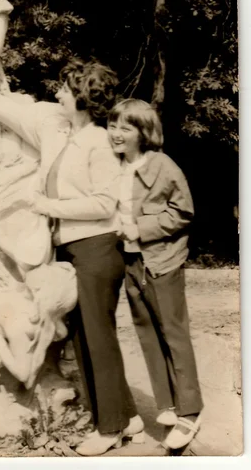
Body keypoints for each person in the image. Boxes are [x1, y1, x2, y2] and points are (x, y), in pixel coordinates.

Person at [0, 58, 143, 455]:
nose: (58, 93)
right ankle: (128, 416)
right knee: (85, 337)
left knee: (96, 339)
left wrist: (45, 206)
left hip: (97, 247)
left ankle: (110, 428)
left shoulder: (99, 143)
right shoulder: (57, 130)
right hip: (72, 248)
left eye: (66, 89)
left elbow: (104, 204)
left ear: (83, 98)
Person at [107, 99, 204, 450]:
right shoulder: (115, 165)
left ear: (144, 132)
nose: (116, 134)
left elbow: (184, 211)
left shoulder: (162, 165)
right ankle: (167, 404)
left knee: (174, 334)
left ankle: (190, 413)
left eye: (125, 128)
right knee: (146, 333)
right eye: (113, 125)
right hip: (131, 262)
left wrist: (140, 228)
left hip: (161, 260)